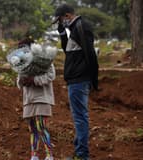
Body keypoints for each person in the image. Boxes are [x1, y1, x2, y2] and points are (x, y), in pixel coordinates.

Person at [52, 4, 99, 160]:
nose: (60, 23)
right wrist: (62, 34)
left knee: (80, 118)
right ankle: (79, 152)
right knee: (79, 117)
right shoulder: (74, 29)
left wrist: (93, 79)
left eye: (60, 20)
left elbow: (90, 54)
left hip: (79, 80)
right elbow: (70, 51)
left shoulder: (81, 27)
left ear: (67, 16)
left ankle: (82, 155)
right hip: (75, 80)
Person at [17, 39, 56, 160]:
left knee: (41, 127)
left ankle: (49, 155)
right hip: (28, 100)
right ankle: (34, 155)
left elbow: (51, 75)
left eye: (24, 48)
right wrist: (22, 81)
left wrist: (34, 80)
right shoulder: (22, 63)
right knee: (32, 129)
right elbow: (19, 80)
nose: (22, 52)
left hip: (42, 98)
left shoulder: (43, 60)